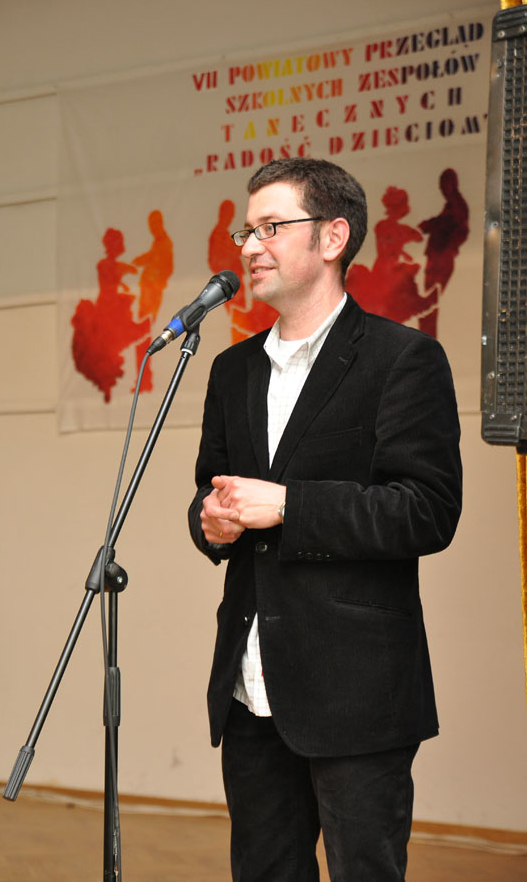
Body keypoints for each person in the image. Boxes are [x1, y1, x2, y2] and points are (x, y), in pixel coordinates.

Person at [188, 157, 462, 882]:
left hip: (357, 694)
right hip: (250, 690)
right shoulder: (232, 371)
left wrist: (288, 505)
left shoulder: (403, 359)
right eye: (247, 230)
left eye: (272, 227)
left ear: (333, 237)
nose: (251, 246)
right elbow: (210, 492)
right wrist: (210, 522)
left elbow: (427, 510)